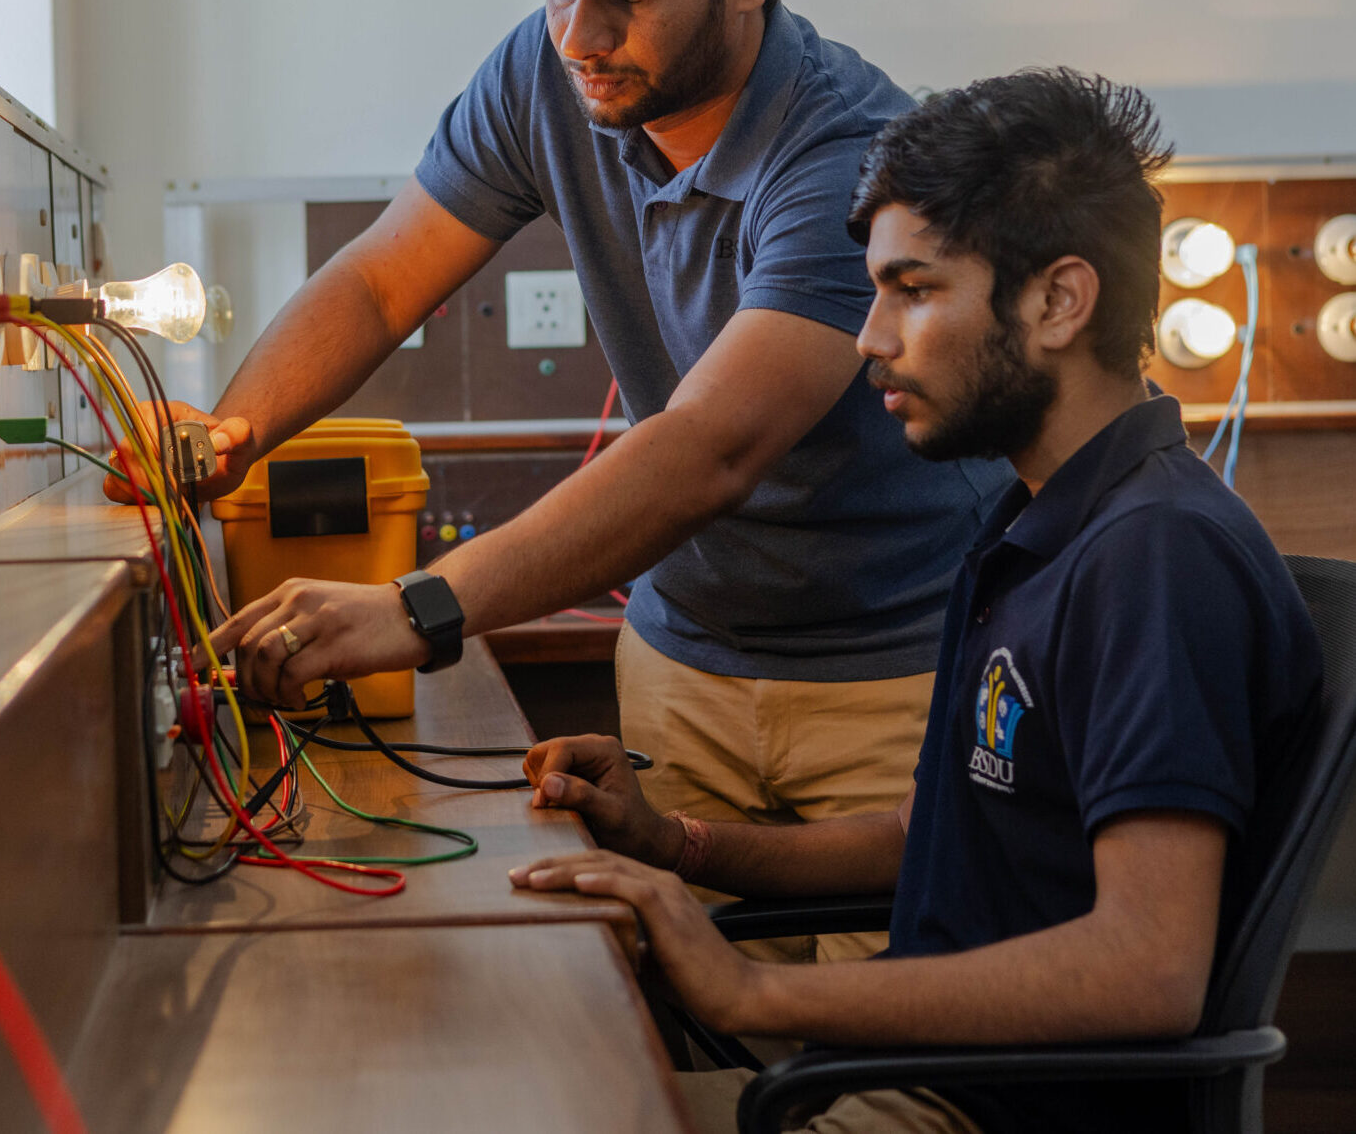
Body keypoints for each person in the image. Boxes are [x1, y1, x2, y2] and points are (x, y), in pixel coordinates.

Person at [116, 0, 1006, 954]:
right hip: (684, 668)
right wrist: (225, 440)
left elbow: (711, 447)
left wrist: (416, 610)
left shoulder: (847, 151)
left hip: (891, 679)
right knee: (688, 1029)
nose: (581, 36)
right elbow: (383, 281)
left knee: (879, 1069)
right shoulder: (545, 74)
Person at [508, 68, 1323, 1134]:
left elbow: (1147, 969)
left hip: (978, 1108)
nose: (869, 337)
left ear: (1059, 301)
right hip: (905, 1077)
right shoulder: (1034, 521)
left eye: (916, 289)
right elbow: (929, 834)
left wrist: (750, 990)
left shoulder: (1153, 560)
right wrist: (675, 845)